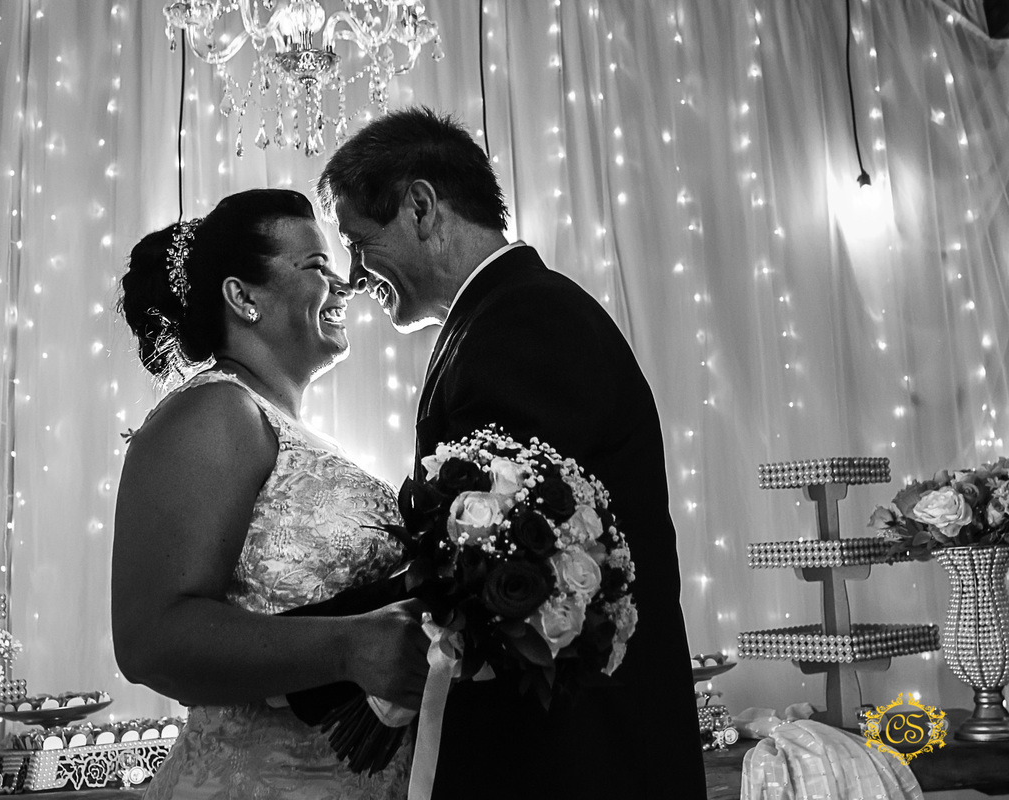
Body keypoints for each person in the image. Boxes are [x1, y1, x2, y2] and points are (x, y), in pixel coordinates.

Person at [316, 107, 708, 799]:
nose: (353, 274)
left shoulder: (523, 323)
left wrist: (282, 656)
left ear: (420, 207)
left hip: (575, 761)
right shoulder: (504, 314)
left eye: (358, 241)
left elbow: (488, 566)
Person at [111, 188, 429, 799]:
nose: (345, 285)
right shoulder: (215, 412)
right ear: (243, 298)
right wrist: (349, 646)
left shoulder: (293, 430)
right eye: (317, 266)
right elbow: (151, 640)